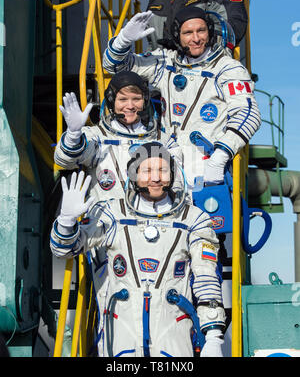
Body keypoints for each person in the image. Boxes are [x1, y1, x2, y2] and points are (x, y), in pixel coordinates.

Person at [50, 142, 226, 357]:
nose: (155, 178)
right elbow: (64, 250)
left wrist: (213, 336)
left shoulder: (193, 219)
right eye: (147, 170)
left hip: (173, 335)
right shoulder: (113, 214)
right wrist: (66, 222)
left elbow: (206, 277)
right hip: (120, 333)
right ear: (133, 174)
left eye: (162, 170)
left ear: (172, 174)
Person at [103, 7, 261, 191]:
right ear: (177, 35)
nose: (196, 38)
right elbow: (115, 68)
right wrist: (123, 41)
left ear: (209, 32)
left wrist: (219, 157)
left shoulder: (227, 68)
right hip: (165, 166)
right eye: (188, 32)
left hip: (207, 167)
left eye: (201, 31)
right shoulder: (166, 63)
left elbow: (248, 113)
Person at [55, 70, 180, 203]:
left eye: (136, 99)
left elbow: (178, 184)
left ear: (145, 101)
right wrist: (73, 136)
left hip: (150, 219)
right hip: (108, 221)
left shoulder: (163, 141)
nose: (130, 106)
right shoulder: (97, 137)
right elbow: (64, 162)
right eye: (123, 99)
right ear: (111, 101)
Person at [146, 0, 248, 51]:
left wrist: (190, 46)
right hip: (162, 73)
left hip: (207, 69)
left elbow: (233, 25)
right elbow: (152, 43)